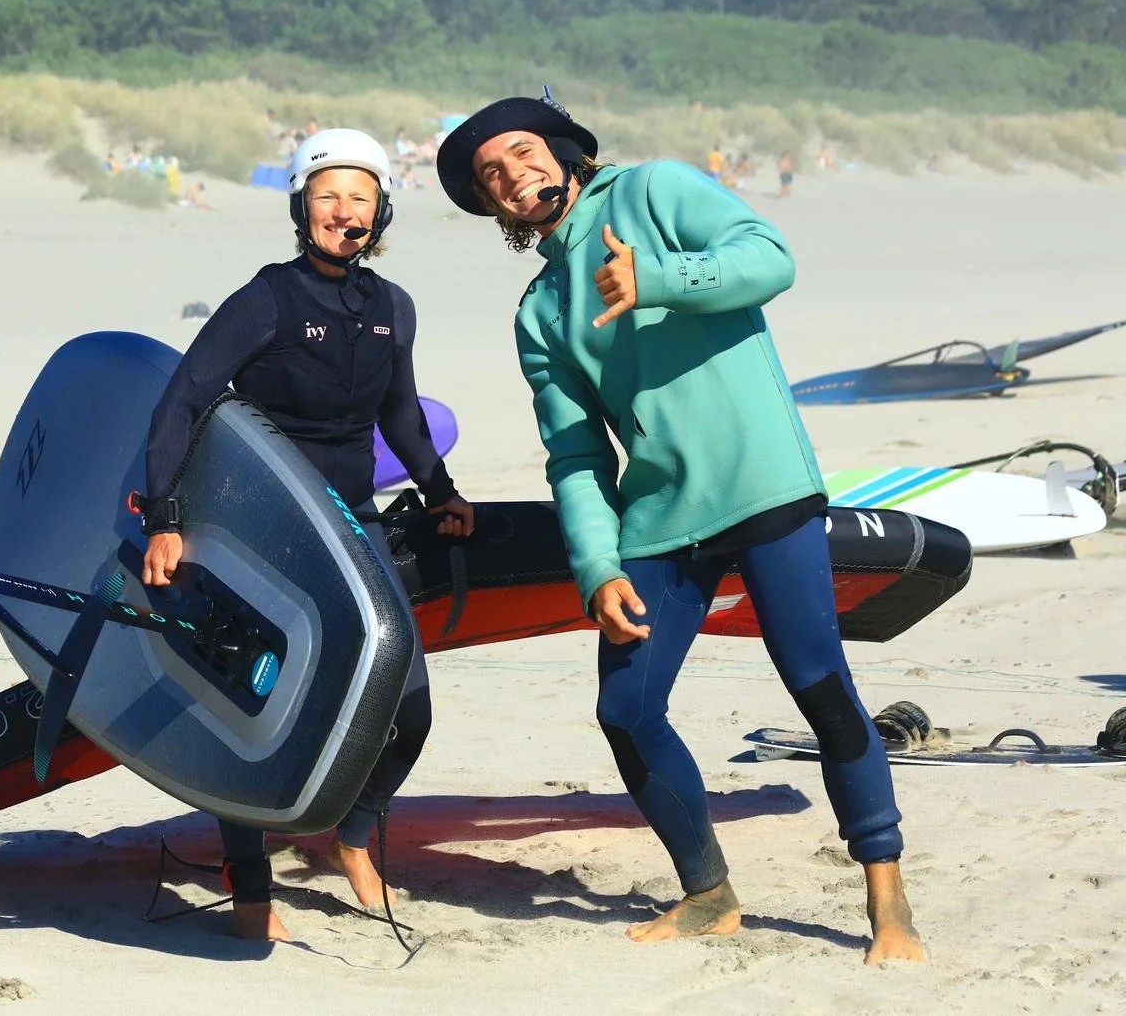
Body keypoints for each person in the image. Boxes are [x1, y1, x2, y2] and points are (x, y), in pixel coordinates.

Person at [434, 89, 925, 966]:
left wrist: (659, 278)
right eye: (490, 174)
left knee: (816, 681)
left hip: (763, 480)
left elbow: (768, 258)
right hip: (661, 519)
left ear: (561, 150)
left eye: (522, 152)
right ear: (491, 204)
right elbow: (577, 455)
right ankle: (709, 894)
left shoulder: (655, 191)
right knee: (626, 707)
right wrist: (596, 566)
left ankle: (888, 897)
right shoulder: (541, 312)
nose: (513, 175)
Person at [141, 128, 474, 942]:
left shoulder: (392, 307)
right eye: (328, 195)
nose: (344, 211)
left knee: (412, 711)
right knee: (258, 708)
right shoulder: (267, 298)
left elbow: (401, 413)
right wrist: (165, 519)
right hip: (264, 524)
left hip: (352, 522)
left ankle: (352, 835)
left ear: (381, 211)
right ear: (302, 206)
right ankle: (249, 889)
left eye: (360, 197)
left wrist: (440, 491)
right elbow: (181, 400)